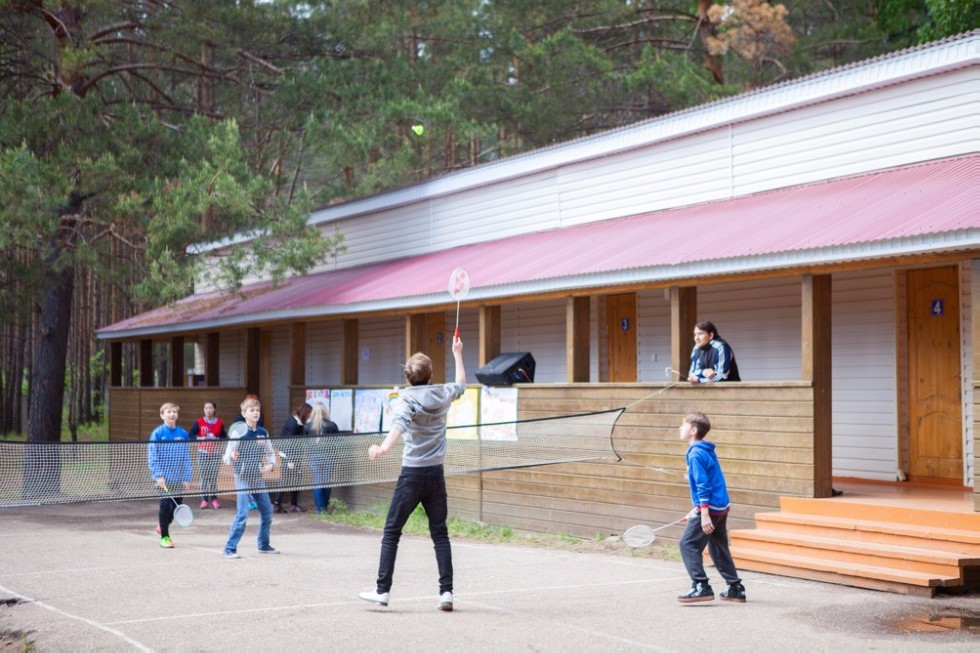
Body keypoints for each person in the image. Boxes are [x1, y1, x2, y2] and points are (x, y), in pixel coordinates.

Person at [359, 335, 466, 612]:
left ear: (408, 377)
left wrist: (382, 447)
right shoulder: (442, 393)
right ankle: (446, 593)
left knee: (392, 531)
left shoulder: (406, 399)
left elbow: (399, 425)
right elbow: (462, 385)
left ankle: (382, 591)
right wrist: (457, 353)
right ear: (430, 375)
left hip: (412, 475)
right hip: (436, 475)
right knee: (440, 534)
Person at [676, 411, 746, 604]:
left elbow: (703, 484)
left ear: (693, 430)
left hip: (711, 509)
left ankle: (701, 586)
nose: (679, 429)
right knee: (718, 548)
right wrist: (697, 508)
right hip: (720, 506)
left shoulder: (696, 453)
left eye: (682, 426)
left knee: (687, 544)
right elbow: (710, 481)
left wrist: (704, 513)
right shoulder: (705, 450)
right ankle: (735, 588)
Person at [222, 396, 279, 558]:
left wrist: (271, 465)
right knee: (242, 514)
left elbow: (270, 454)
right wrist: (231, 456)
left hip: (258, 478)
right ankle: (229, 548)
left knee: (267, 511)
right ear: (244, 413)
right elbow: (226, 457)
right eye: (252, 410)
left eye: (257, 410)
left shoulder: (263, 432)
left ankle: (263, 544)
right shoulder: (237, 432)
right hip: (242, 478)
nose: (255, 413)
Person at [147, 402, 192, 549]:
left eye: (174, 411)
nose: (172, 414)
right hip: (163, 479)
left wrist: (187, 477)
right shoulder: (157, 433)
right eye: (168, 412)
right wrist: (158, 475)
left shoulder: (183, 434)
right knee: (165, 505)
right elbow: (152, 456)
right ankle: (165, 538)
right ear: (162, 415)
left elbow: (186, 457)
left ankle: (162, 525)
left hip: (178, 478)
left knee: (177, 506)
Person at [273, 403, 313, 513]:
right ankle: (277, 504)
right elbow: (289, 442)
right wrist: (290, 460)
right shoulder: (293, 423)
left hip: (296, 455)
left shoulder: (298, 423)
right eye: (309, 414)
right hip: (289, 456)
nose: (310, 416)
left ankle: (293, 504)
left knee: (296, 479)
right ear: (305, 413)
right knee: (285, 479)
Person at [188, 400, 227, 509]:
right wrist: (200, 438)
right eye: (206, 408)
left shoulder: (220, 422)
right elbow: (190, 435)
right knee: (204, 477)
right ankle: (204, 500)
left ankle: (214, 499)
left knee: (213, 477)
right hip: (203, 453)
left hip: (215, 453)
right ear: (204, 410)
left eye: (210, 408)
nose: (208, 410)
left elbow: (225, 436)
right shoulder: (199, 422)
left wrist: (217, 438)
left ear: (214, 409)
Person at [305, 403, 340, 514]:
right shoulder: (332, 425)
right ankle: (324, 507)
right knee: (326, 483)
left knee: (318, 482)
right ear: (325, 412)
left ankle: (320, 510)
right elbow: (337, 442)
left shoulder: (308, 426)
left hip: (314, 457)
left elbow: (304, 442)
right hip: (329, 457)